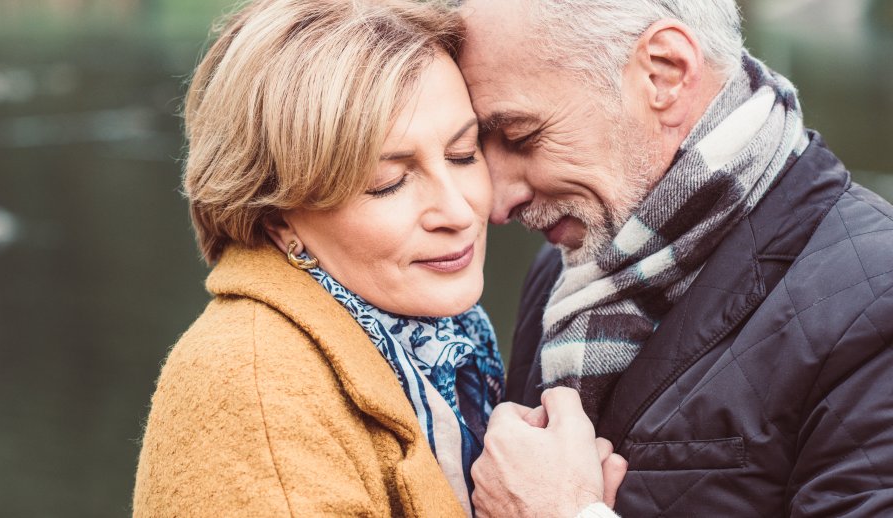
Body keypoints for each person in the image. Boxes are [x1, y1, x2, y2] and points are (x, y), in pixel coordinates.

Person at [131, 0, 626, 516]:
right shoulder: (249, 392)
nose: (458, 212)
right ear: (279, 219)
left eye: (462, 154)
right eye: (388, 182)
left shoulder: (438, 343)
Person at [458, 0, 893, 516]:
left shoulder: (877, 297)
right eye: (477, 148)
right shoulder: (566, 264)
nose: (497, 203)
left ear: (665, 73)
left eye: (520, 137)